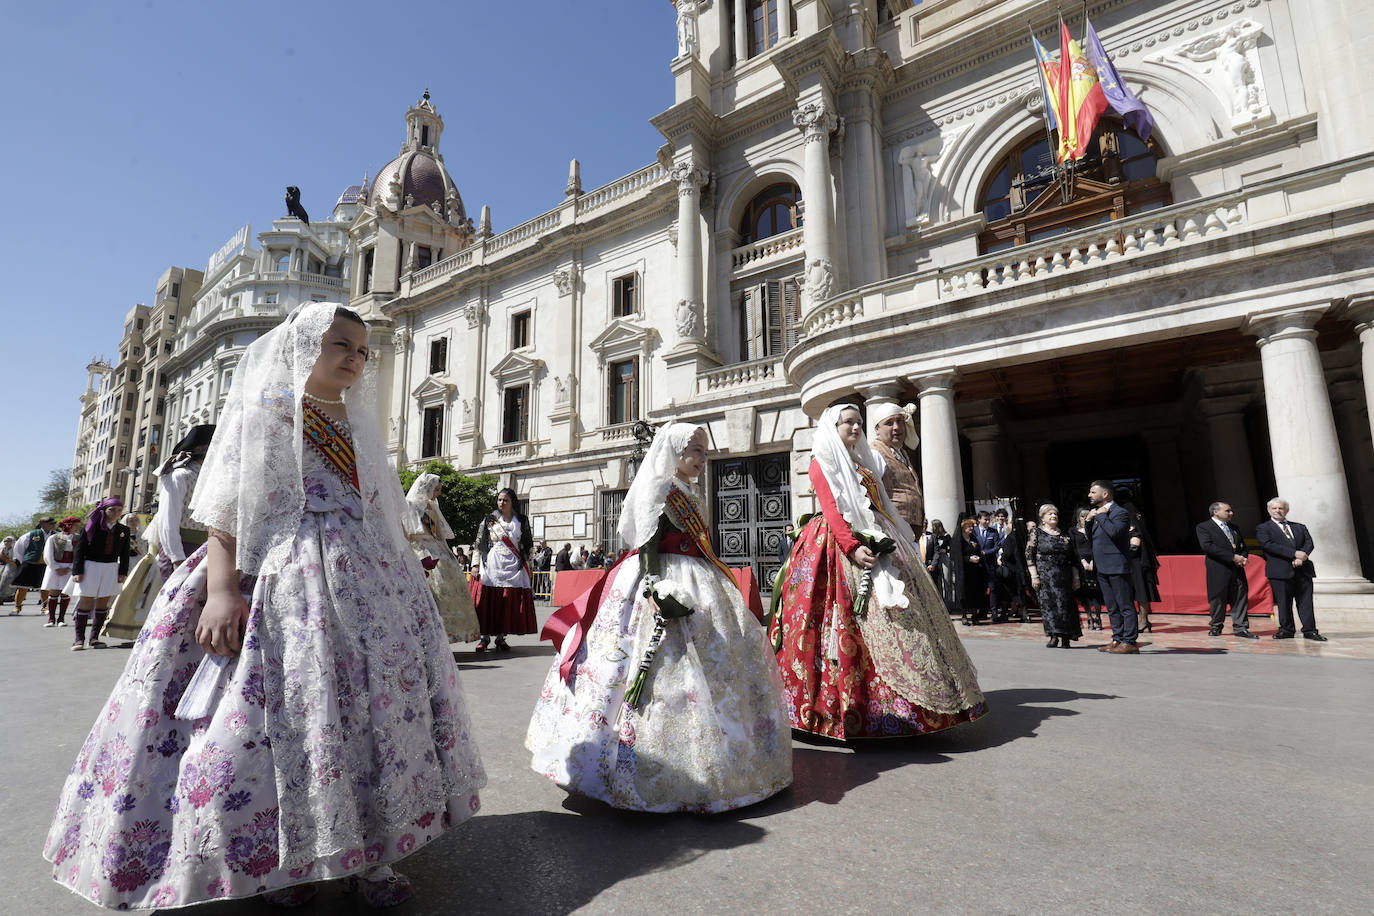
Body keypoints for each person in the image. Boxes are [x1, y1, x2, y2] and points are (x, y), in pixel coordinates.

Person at [43, 303, 485, 909]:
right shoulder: (267, 409)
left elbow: (378, 510)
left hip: (369, 586)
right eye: (340, 345)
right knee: (285, 723)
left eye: (361, 349)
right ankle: (281, 864)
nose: (354, 357)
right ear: (303, 346)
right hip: (280, 575)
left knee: (373, 718)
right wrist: (222, 591)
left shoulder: (361, 420)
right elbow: (228, 509)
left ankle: (373, 852)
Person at [528, 423, 791, 811]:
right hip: (659, 579)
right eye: (695, 451)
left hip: (697, 578)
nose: (702, 459)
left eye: (704, 452)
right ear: (675, 452)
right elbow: (647, 542)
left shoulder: (692, 493)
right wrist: (653, 588)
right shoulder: (660, 487)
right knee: (649, 668)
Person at [769, 404, 986, 740]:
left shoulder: (862, 461)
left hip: (878, 532)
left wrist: (897, 537)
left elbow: (880, 502)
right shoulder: (821, 459)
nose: (855, 428)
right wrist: (851, 546)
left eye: (858, 423)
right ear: (833, 426)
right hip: (836, 542)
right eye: (848, 423)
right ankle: (838, 710)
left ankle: (916, 702)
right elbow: (831, 507)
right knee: (837, 622)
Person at [104, 425, 215, 643]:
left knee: (199, 608)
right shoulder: (179, 475)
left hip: (205, 549)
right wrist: (177, 558)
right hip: (182, 547)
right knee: (176, 608)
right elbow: (167, 520)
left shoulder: (209, 477)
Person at [404, 472, 482, 645]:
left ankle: (450, 633)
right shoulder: (410, 505)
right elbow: (408, 533)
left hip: (437, 548)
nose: (437, 493)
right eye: (436, 489)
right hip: (420, 548)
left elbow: (439, 533)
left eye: (439, 490)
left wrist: (447, 553)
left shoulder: (433, 507)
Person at [473, 486, 537, 652]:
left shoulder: (521, 520)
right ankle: (484, 637)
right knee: (488, 601)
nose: (501, 503)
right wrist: (475, 564)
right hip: (492, 564)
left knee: (506, 602)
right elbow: (479, 542)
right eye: (499, 500)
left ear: (512, 502)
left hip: (513, 565)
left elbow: (527, 544)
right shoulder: (490, 519)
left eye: (505, 500)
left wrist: (528, 565)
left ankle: (501, 637)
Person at [1255, 497, 1326, 641]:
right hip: (1280, 571)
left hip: (1302, 570)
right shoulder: (1263, 528)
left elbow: (1309, 543)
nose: (1277, 511)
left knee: (1305, 602)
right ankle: (1286, 630)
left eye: (1281, 508)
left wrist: (1301, 557)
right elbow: (1268, 545)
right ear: (1269, 510)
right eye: (1274, 508)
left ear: (1286, 510)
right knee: (1284, 602)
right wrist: (1293, 554)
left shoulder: (1299, 526)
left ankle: (1310, 630)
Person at [68, 498, 132, 650]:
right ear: (104, 510)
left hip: (110, 568)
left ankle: (94, 638)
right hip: (90, 566)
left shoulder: (123, 530)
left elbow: (125, 554)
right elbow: (80, 550)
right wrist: (77, 571)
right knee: (86, 601)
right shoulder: (92, 527)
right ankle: (79, 639)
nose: (115, 513)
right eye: (112, 510)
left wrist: (122, 571)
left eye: (119, 510)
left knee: (103, 602)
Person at [1086, 480, 1139, 653]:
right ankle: (1117, 638)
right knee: (1111, 605)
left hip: (1116, 565)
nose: (1089, 495)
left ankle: (1130, 641)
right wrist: (1089, 520)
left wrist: (1101, 515)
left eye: (1093, 492)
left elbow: (1115, 533)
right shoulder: (1097, 513)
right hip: (1101, 566)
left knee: (1125, 604)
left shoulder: (1120, 512)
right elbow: (1093, 537)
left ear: (1105, 494)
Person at [1195, 501, 1256, 638]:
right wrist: (1232, 557)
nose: (1231, 513)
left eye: (1230, 510)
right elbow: (1208, 546)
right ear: (1215, 512)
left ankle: (1241, 627)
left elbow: (1243, 546)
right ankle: (1216, 625)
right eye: (1227, 511)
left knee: (1240, 597)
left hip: (1237, 569)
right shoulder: (1204, 527)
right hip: (1218, 569)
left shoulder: (1234, 527)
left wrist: (1243, 557)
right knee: (1218, 598)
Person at [1027, 504, 1081, 648]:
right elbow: (1029, 555)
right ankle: (1053, 635)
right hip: (1045, 577)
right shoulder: (1036, 532)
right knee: (1049, 606)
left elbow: (1073, 558)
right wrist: (1034, 576)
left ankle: (1066, 637)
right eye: (1050, 514)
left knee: (1065, 606)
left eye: (1055, 514)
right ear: (1042, 517)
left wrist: (1076, 578)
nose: (1053, 516)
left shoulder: (1064, 534)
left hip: (1064, 576)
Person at [868, 401, 925, 536]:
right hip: (892, 530)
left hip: (909, 532)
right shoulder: (875, 453)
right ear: (877, 429)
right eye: (889, 423)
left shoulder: (902, 453)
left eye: (900, 421)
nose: (897, 427)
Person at [40, 516, 81, 627]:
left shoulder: (79, 538)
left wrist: (71, 567)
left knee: (65, 593)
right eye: (75, 525)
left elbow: (80, 555)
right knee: (54, 592)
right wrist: (56, 567)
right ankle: (51, 619)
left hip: (69, 567)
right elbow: (48, 554)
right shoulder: (53, 538)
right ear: (68, 525)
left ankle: (61, 619)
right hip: (55, 567)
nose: (77, 528)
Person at [10, 516, 54, 614]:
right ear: (42, 524)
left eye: (53, 523)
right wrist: (24, 560)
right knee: (23, 586)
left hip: (47, 565)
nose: (53, 525)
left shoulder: (56, 535)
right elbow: (19, 548)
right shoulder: (32, 534)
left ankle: (44, 607)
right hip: (30, 563)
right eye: (50, 523)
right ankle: (17, 607)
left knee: (45, 587)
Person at [1072, 508, 1105, 630]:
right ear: (1078, 518)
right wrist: (1082, 561)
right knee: (1085, 593)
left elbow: (1096, 545)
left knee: (1096, 592)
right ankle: (1089, 617)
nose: (1084, 518)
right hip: (1080, 563)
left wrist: (1092, 561)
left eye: (1087, 516)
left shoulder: (1093, 530)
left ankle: (1098, 617)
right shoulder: (1073, 531)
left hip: (1094, 562)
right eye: (1082, 516)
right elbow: (1074, 548)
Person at [959, 518, 988, 625]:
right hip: (964, 571)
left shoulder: (973, 538)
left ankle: (975, 615)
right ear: (963, 528)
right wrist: (968, 559)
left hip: (975, 571)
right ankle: (964, 615)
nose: (971, 528)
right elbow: (956, 556)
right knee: (964, 593)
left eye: (972, 526)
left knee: (976, 593)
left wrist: (978, 557)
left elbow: (978, 550)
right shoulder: (958, 540)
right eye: (968, 526)